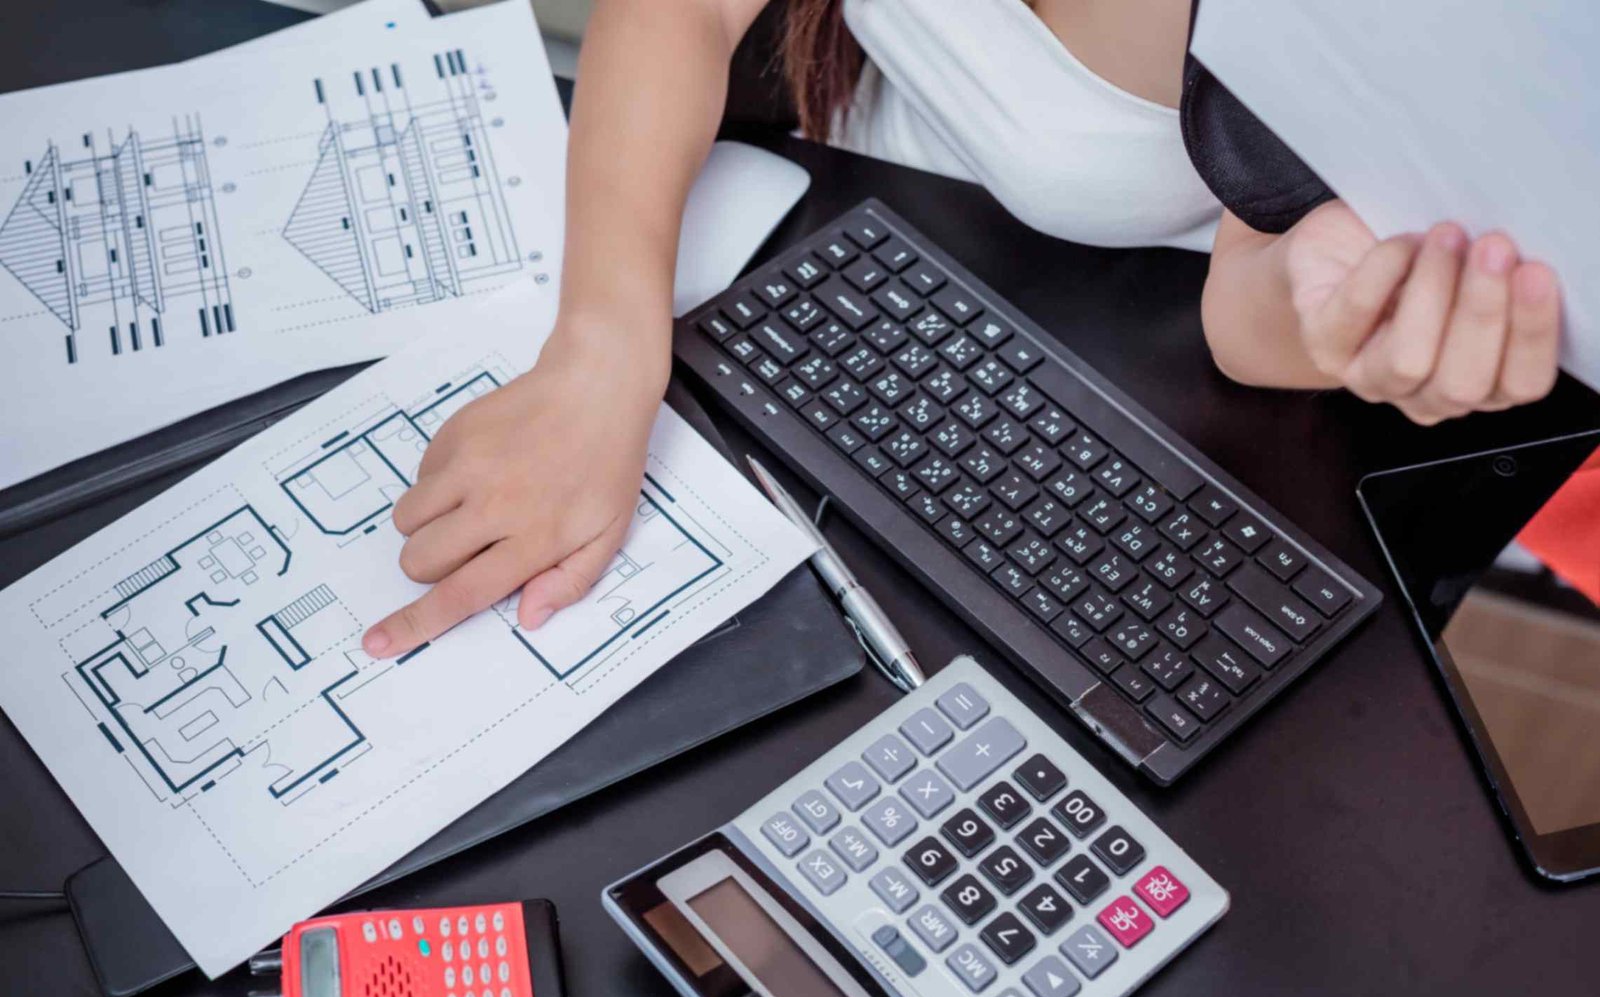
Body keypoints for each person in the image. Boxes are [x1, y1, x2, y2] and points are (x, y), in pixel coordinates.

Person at [360, 0, 1563, 661]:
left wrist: (1344, 318)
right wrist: (602, 344)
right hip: (820, 269)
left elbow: (1250, 309)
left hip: (1104, 411)